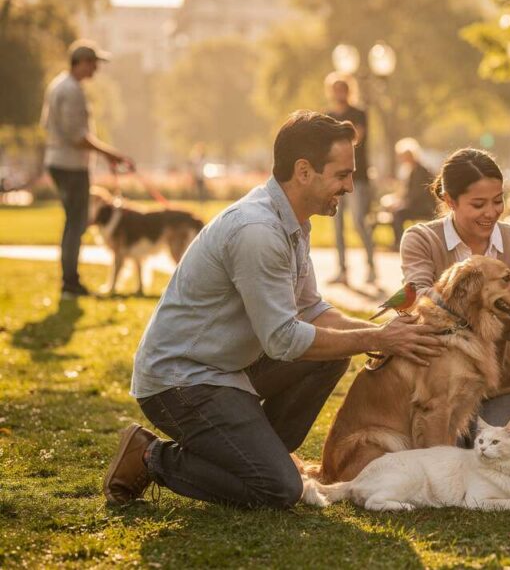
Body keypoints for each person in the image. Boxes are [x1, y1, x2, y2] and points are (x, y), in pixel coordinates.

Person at [102, 111, 445, 509]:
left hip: (229, 369)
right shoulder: (257, 231)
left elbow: (312, 310)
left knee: (331, 357)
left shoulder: (293, 222)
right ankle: (148, 455)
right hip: (182, 381)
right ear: (304, 171)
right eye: (341, 174)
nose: (351, 185)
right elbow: (283, 339)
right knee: (278, 489)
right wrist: (373, 337)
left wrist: (386, 338)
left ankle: (257, 452)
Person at [399, 148, 510, 450]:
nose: (491, 212)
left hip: (503, 382)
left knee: (506, 457)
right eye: (478, 204)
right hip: (442, 377)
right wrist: (472, 285)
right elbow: (419, 301)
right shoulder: (422, 239)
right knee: (452, 451)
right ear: (450, 201)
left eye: (498, 200)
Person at [40, 39, 134, 298]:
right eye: (93, 63)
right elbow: (77, 136)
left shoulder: (58, 85)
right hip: (70, 165)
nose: (95, 69)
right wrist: (110, 154)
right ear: (80, 62)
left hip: (60, 161)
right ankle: (70, 283)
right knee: (76, 222)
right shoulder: (70, 90)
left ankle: (70, 280)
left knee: (74, 221)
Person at [324, 72, 376, 285]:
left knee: (358, 221)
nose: (339, 93)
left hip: (357, 175)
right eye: (335, 89)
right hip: (333, 177)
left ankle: (372, 267)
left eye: (343, 88)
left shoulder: (359, 113)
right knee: (336, 223)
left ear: (348, 90)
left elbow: (354, 138)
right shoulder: (327, 115)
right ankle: (342, 270)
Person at [389, 137, 436, 249]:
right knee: (395, 211)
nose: (402, 159)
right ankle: (399, 242)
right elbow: (408, 193)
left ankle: (400, 243)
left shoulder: (421, 171)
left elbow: (417, 195)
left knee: (398, 214)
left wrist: (403, 203)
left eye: (403, 156)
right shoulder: (411, 170)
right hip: (416, 204)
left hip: (423, 207)